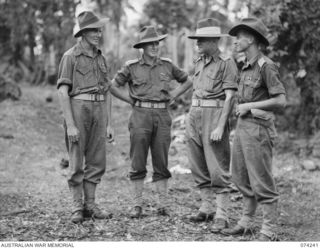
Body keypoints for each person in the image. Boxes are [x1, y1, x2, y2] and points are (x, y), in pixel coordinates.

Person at [110, 26, 192, 218]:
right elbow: (113, 86)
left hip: (162, 115)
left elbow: (188, 81)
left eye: (157, 43)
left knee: (161, 160)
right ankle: (137, 205)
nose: (155, 46)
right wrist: (130, 100)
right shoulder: (132, 67)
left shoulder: (167, 65)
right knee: (138, 160)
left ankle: (162, 204)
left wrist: (174, 94)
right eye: (150, 44)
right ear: (142, 47)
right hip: (140, 115)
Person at [221, 17, 286, 241]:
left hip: (259, 129)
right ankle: (246, 222)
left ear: (251, 39)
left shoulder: (266, 66)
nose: (235, 41)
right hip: (243, 128)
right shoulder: (245, 66)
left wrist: (249, 105)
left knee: (261, 180)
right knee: (240, 177)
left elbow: (280, 100)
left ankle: (269, 230)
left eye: (239, 37)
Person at [57, 11, 113, 223]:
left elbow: (107, 90)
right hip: (79, 108)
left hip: (99, 108)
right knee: (76, 159)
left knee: (97, 160)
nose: (98, 34)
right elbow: (63, 92)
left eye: (99, 30)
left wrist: (109, 123)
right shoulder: (70, 56)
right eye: (93, 30)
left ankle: (90, 204)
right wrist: (71, 125)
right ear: (83, 32)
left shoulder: (101, 58)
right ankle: (76, 206)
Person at [186, 18, 238, 233]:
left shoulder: (226, 62)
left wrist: (220, 125)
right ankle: (207, 207)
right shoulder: (199, 61)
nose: (197, 43)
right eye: (197, 39)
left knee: (217, 165)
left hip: (214, 114)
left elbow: (230, 97)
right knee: (196, 162)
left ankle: (222, 214)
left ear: (213, 40)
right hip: (195, 113)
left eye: (201, 39)